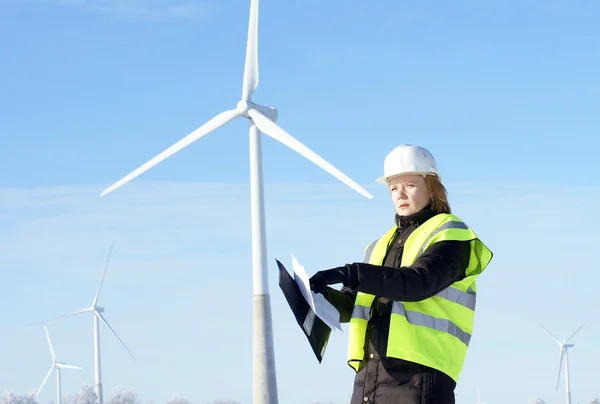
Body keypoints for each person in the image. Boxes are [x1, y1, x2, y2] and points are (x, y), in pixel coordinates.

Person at [309, 144, 493, 404]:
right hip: (370, 377)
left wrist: (348, 272)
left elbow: (415, 283)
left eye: (410, 185)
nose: (400, 194)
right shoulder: (378, 246)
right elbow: (352, 304)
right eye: (393, 188)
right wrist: (315, 295)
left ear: (432, 187)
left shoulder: (451, 235)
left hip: (419, 377)